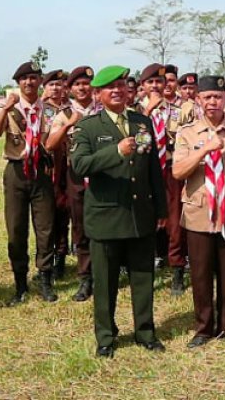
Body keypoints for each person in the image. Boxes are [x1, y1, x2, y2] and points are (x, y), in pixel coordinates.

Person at [70, 65, 168, 358]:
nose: (117, 90)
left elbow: (153, 169)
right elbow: (79, 166)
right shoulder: (88, 127)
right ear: (98, 94)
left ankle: (145, 332)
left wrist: (160, 208)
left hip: (140, 213)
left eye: (122, 84)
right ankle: (105, 336)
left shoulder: (141, 123)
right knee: (106, 281)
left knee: (142, 276)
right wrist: (116, 152)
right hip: (106, 216)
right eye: (109, 86)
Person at [173, 75, 225, 348]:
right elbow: (178, 172)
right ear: (198, 99)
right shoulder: (187, 133)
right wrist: (203, 151)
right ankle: (203, 328)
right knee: (200, 274)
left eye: (218, 97)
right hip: (199, 214)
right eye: (207, 97)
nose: (213, 102)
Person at [0, 61, 57, 304]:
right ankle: (20, 283)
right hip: (16, 171)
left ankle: (45, 278)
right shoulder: (10, 108)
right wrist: (4, 109)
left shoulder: (48, 109)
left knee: (45, 227)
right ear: (18, 82)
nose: (29, 82)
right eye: (24, 78)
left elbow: (53, 137)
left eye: (34, 78)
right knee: (16, 229)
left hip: (41, 170)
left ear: (40, 82)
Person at [45, 65, 100, 300]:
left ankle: (105, 273)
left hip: (102, 174)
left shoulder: (104, 110)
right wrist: (69, 124)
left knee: (105, 223)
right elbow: (50, 144)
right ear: (71, 88)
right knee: (80, 226)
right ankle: (85, 278)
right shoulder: (64, 114)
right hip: (76, 175)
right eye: (77, 84)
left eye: (86, 83)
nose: (82, 88)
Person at [138, 63, 191, 293]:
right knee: (146, 218)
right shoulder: (134, 109)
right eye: (151, 82)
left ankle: (178, 269)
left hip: (171, 167)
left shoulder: (183, 108)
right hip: (146, 168)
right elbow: (136, 140)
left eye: (161, 81)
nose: (157, 86)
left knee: (174, 219)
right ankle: (144, 268)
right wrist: (148, 111)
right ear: (143, 85)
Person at [42, 69, 74, 282]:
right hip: (46, 167)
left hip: (67, 165)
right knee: (46, 216)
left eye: (60, 84)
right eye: (52, 84)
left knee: (64, 211)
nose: (56, 88)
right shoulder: (39, 109)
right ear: (45, 87)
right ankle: (46, 259)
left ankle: (61, 257)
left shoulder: (71, 110)